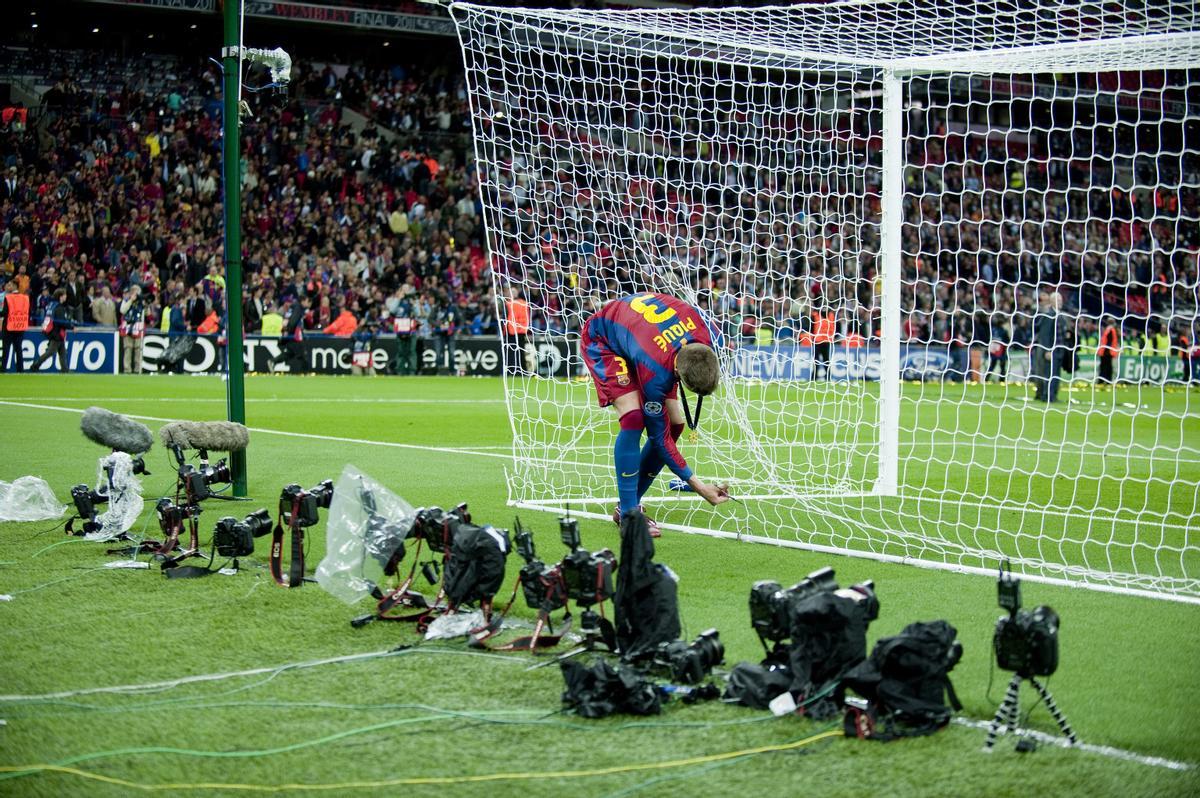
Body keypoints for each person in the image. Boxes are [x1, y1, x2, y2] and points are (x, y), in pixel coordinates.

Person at [582, 292, 730, 535]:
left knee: (676, 425)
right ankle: (630, 515)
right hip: (604, 339)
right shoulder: (656, 373)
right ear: (678, 374)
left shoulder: (708, 333)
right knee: (634, 418)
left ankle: (625, 505)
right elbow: (659, 439)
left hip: (645, 336)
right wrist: (699, 486)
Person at [32, 288, 75, 372]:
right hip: (57, 332)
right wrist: (71, 327)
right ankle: (35, 365)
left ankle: (65, 369)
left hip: (52, 331)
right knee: (51, 352)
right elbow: (61, 322)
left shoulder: (51, 305)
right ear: (61, 296)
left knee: (62, 351)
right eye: (65, 295)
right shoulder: (59, 307)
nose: (66, 296)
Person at [1, 280, 30, 372]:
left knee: (6, 349)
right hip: (20, 327)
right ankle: (20, 370)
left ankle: (3, 369)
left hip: (9, 327)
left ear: (14, 286)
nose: (8, 287)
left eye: (10, 285)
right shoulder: (25, 298)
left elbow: (5, 313)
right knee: (18, 349)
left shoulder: (8, 298)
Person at [119, 285, 146, 374]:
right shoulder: (126, 300)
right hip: (128, 327)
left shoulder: (141, 303)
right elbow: (122, 310)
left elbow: (147, 313)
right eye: (135, 292)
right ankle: (127, 369)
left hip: (138, 327)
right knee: (128, 348)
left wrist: (146, 304)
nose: (137, 294)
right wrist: (131, 300)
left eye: (138, 292)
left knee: (138, 349)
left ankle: (137, 369)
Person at [812, 306, 835, 380]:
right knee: (816, 360)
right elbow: (812, 326)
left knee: (826, 360)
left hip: (826, 341)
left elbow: (834, 327)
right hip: (818, 341)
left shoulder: (831, 315)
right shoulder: (815, 315)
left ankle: (828, 377)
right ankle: (814, 377)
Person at [986, 314, 1010, 382]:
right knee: (1002, 366)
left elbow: (989, 339)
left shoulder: (993, 330)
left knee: (992, 365)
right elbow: (1007, 341)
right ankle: (1002, 380)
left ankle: (986, 379)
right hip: (1001, 351)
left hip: (993, 351)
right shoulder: (1003, 331)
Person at [1097, 316, 1120, 386]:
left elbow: (1108, 341)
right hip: (1107, 351)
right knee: (1107, 367)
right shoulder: (1112, 329)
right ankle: (1106, 380)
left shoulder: (1109, 330)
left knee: (1105, 367)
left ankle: (1103, 380)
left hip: (1106, 351)